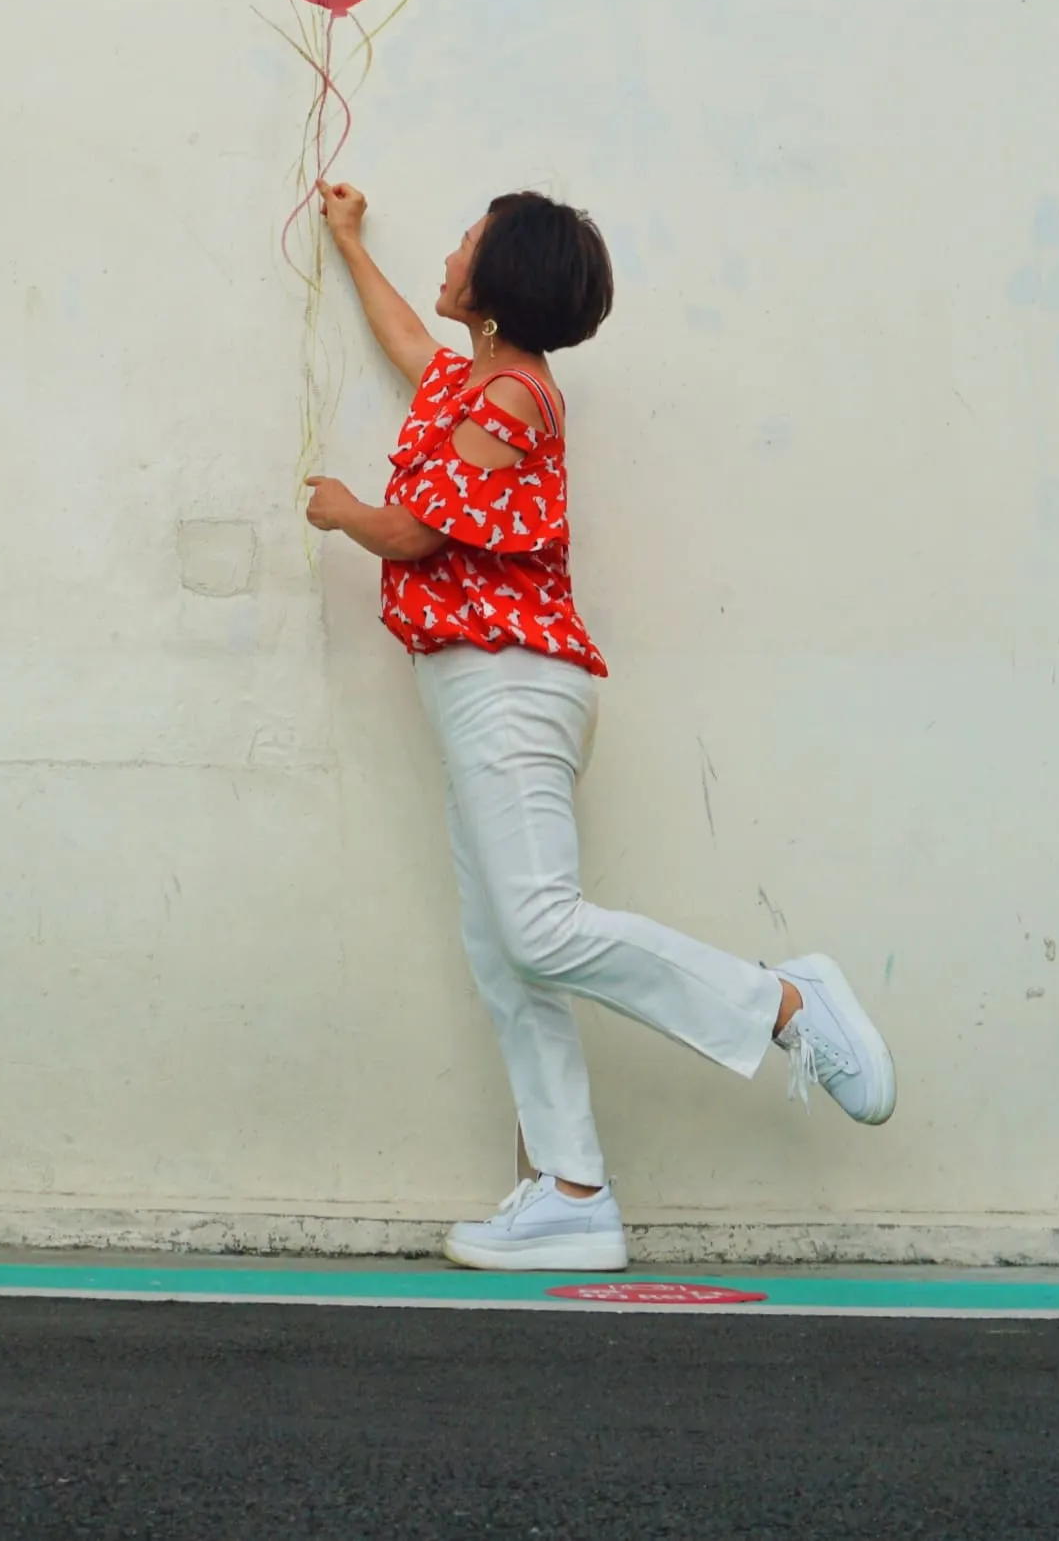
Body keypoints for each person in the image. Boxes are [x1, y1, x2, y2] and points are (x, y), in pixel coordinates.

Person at [303, 182, 895, 1274]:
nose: (447, 254)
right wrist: (346, 242)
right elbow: (401, 333)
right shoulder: (469, 382)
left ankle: (786, 1002)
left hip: (511, 683)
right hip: (474, 686)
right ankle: (571, 1190)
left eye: (466, 243)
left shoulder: (515, 398)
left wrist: (347, 515)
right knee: (505, 952)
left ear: (497, 283)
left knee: (537, 928)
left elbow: (422, 532)